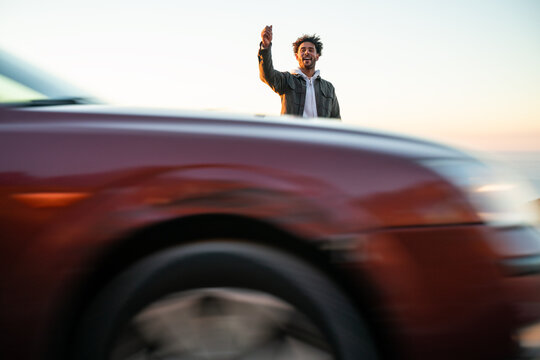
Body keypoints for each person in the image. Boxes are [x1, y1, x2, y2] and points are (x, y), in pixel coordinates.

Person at [258, 25, 340, 119]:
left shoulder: (328, 88)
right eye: (303, 50)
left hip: (320, 134)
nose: (306, 52)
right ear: (297, 56)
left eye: (311, 50)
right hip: (293, 133)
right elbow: (267, 75)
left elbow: (336, 120)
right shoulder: (287, 80)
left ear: (317, 56)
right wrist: (265, 47)